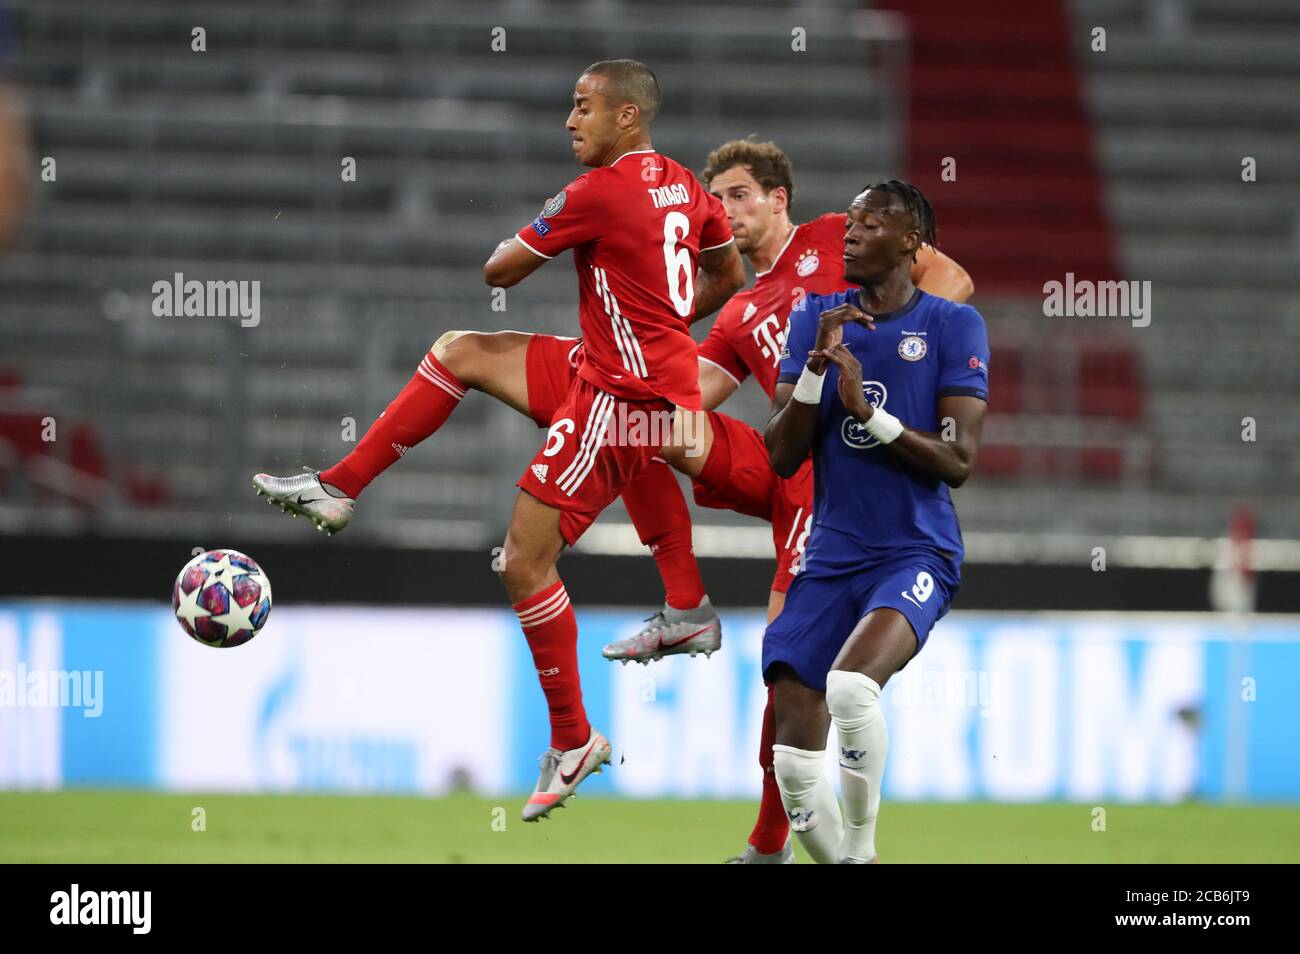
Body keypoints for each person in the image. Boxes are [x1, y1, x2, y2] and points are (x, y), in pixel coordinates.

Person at [762, 180, 989, 862]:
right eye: (849, 222)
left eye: (870, 222)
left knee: (852, 686)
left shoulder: (951, 325)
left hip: (915, 550)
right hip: (831, 557)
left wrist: (869, 412)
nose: (850, 233)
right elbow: (780, 454)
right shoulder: (815, 316)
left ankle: (862, 851)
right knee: (795, 769)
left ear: (912, 242)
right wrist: (814, 371)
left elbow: (956, 461)